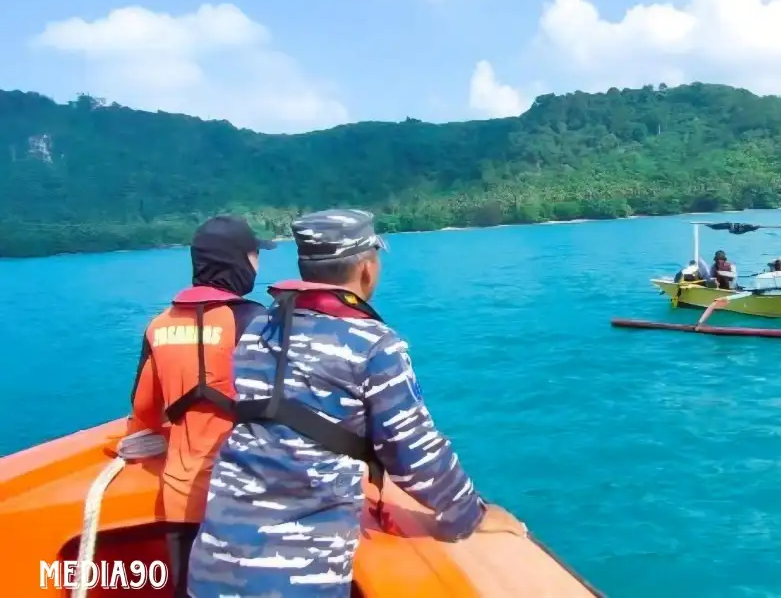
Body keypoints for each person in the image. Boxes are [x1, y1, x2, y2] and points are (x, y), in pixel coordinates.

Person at [187, 209, 526, 598]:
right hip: (296, 577)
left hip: (212, 563)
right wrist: (470, 514)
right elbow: (414, 452)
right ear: (367, 268)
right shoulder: (373, 344)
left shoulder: (259, 329)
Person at [125, 215, 276, 598]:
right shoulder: (258, 322)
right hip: (241, 502)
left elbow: (143, 413)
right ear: (239, 262)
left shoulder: (158, 326)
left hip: (179, 503)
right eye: (255, 255)